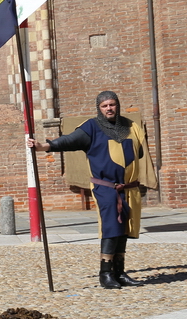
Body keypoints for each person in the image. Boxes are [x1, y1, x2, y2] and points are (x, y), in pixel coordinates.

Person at [28, 90, 157, 289]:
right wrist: (44, 146)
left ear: (117, 105)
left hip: (128, 187)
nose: (109, 109)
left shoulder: (130, 126)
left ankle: (119, 272)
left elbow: (139, 152)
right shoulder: (92, 127)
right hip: (107, 187)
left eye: (112, 105)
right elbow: (69, 141)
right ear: (99, 108)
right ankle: (105, 274)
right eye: (104, 106)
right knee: (111, 228)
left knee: (124, 230)